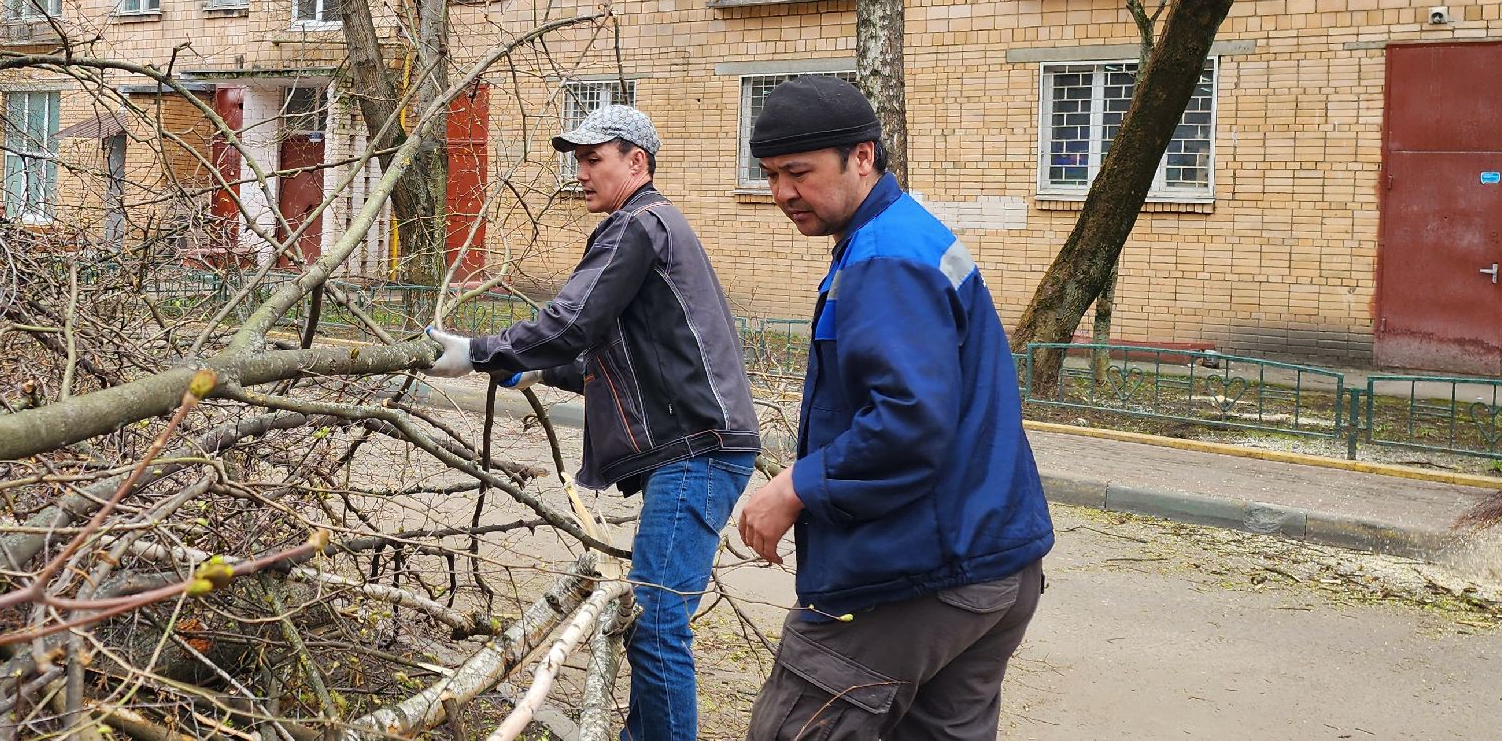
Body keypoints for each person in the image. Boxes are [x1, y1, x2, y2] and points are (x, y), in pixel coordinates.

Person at [426, 104, 759, 741]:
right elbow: (605, 356)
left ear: (637, 163)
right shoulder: (650, 226)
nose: (580, 173)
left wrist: (479, 352)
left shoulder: (638, 224)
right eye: (576, 160)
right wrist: (532, 371)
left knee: (659, 618)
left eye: (593, 159)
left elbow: (571, 322)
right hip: (697, 447)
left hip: (697, 451)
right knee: (655, 615)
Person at [734, 76, 1054, 741]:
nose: (782, 194)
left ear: (861, 157)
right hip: (993, 566)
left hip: (919, 574)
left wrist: (795, 486)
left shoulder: (884, 258)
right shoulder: (911, 233)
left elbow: (906, 422)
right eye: (768, 175)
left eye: (798, 172)